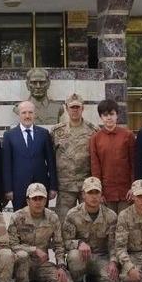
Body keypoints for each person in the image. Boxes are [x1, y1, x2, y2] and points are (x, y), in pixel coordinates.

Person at [8, 183, 69, 282]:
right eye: (34, 199)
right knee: (23, 257)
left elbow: (59, 244)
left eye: (41, 198)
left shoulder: (52, 217)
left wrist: (61, 266)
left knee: (62, 281)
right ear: (27, 201)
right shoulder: (17, 217)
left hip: (41, 263)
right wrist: (34, 249)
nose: (38, 202)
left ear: (46, 200)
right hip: (21, 261)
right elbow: (12, 244)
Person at [62, 177, 120, 282]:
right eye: (90, 193)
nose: (94, 196)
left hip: (100, 257)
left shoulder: (111, 216)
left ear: (101, 194)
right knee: (74, 256)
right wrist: (78, 244)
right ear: (83, 195)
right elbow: (65, 241)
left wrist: (113, 262)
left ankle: (92, 279)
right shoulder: (72, 214)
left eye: (96, 192)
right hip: (81, 257)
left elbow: (113, 244)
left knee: (113, 280)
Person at [50, 93, 98, 221]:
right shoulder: (56, 131)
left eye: (78, 107)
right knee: (63, 220)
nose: (75, 110)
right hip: (65, 186)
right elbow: (50, 158)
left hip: (86, 185)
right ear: (66, 108)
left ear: (83, 108)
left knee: (88, 220)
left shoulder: (93, 131)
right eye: (72, 107)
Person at [2, 101, 57, 210]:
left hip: (41, 187)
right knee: (21, 222)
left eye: (30, 112)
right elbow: (6, 164)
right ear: (19, 114)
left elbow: (51, 161)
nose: (27, 116)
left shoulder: (44, 133)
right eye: (24, 113)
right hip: (19, 189)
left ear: (35, 114)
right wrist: (8, 189)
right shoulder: (9, 135)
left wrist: (53, 187)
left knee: (41, 220)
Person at [89, 99, 135, 213]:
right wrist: (98, 191)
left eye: (112, 114)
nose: (109, 118)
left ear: (117, 115)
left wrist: (133, 187)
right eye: (105, 115)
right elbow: (95, 167)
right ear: (101, 117)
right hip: (106, 193)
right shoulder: (95, 138)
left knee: (125, 224)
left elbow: (134, 163)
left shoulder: (128, 135)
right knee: (108, 226)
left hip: (126, 191)